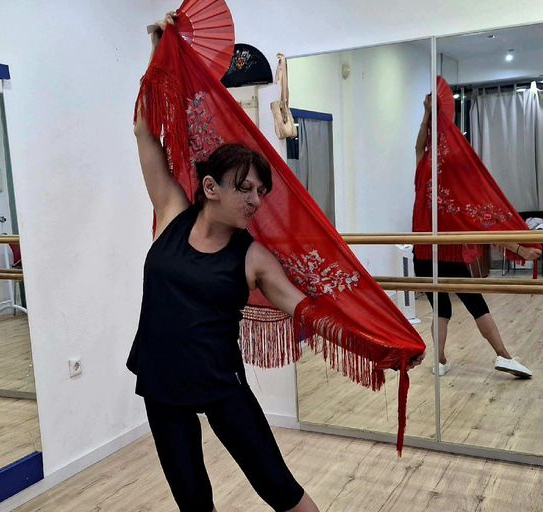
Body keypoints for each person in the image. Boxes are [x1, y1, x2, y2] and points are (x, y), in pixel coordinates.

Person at [130, 17, 426, 512]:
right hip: (161, 382)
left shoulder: (253, 256)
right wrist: (160, 53)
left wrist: (376, 345)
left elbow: (308, 310)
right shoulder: (172, 212)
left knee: (279, 488)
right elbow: (143, 129)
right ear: (210, 188)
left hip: (223, 384)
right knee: (193, 500)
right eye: (243, 188)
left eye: (261, 191)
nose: (255, 200)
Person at [413, 93, 541, 379]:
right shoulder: (446, 185)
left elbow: (419, 144)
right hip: (443, 256)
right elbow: (480, 225)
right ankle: (503, 356)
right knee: (475, 305)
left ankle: (442, 360)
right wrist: (520, 249)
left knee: (441, 309)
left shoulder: (422, 168)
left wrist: (426, 115)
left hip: (423, 254)